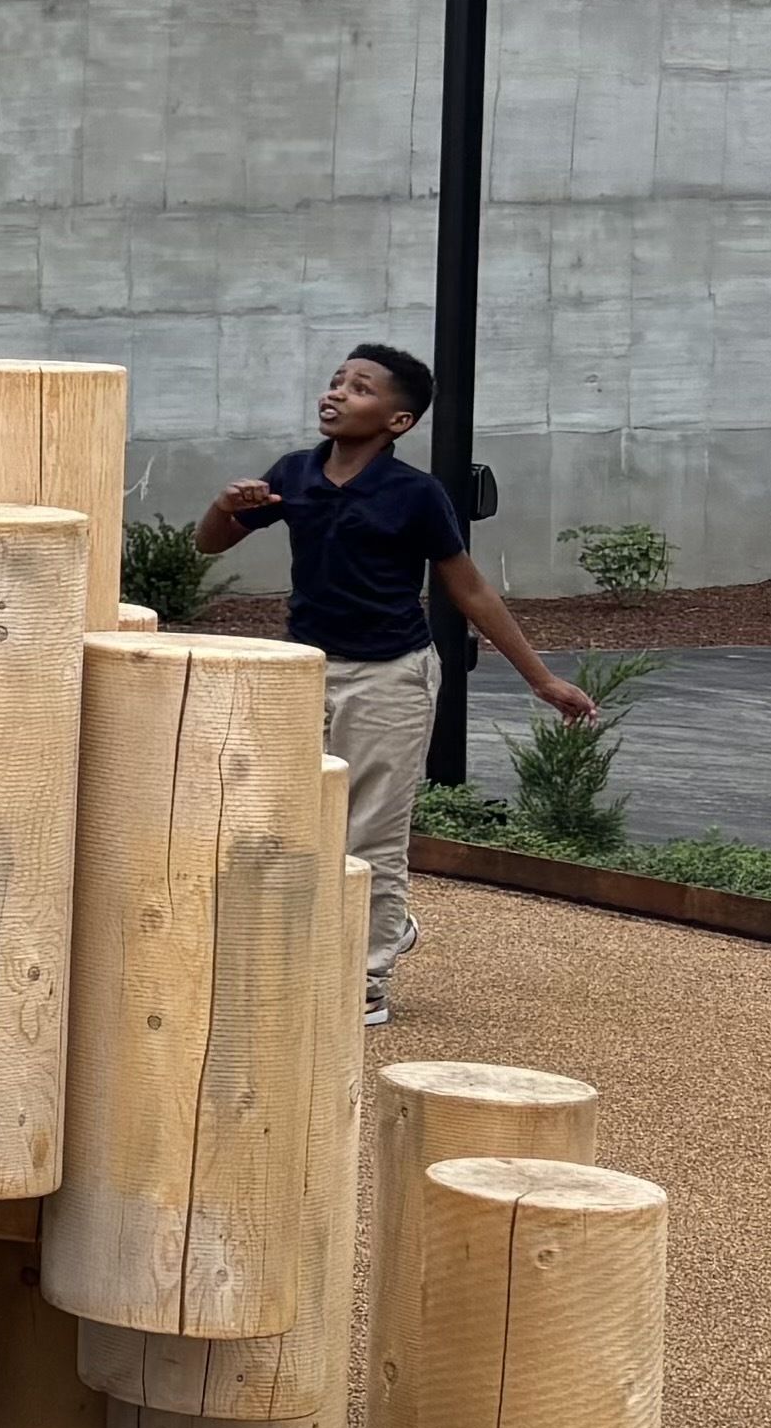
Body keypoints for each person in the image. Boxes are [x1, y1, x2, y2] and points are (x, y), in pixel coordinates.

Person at [189, 342, 595, 1026]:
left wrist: (541, 678)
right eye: (335, 381)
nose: (337, 393)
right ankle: (384, 924)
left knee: (371, 833)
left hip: (389, 678)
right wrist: (226, 505)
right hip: (305, 672)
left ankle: (368, 980)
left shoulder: (415, 494)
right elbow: (209, 543)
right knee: (299, 825)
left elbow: (468, 588)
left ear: (398, 421)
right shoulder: (295, 473)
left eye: (360, 388)